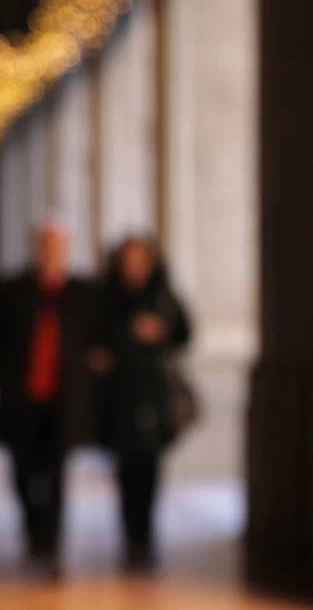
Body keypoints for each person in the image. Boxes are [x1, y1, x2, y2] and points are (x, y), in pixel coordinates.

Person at [0, 219, 103, 579]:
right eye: (46, 245)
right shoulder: (13, 289)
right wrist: (2, 381)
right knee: (22, 474)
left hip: (63, 403)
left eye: (58, 245)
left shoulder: (82, 293)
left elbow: (98, 339)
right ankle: (33, 534)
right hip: (24, 400)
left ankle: (51, 548)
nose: (51, 252)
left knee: (56, 476)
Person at [91, 235, 192, 572]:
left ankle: (145, 538)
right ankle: (130, 536)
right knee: (124, 469)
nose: (134, 267)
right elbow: (95, 338)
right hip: (119, 396)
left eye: (140, 260)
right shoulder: (107, 298)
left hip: (153, 395)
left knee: (149, 468)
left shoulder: (163, 297)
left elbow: (185, 333)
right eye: (128, 260)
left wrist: (160, 331)